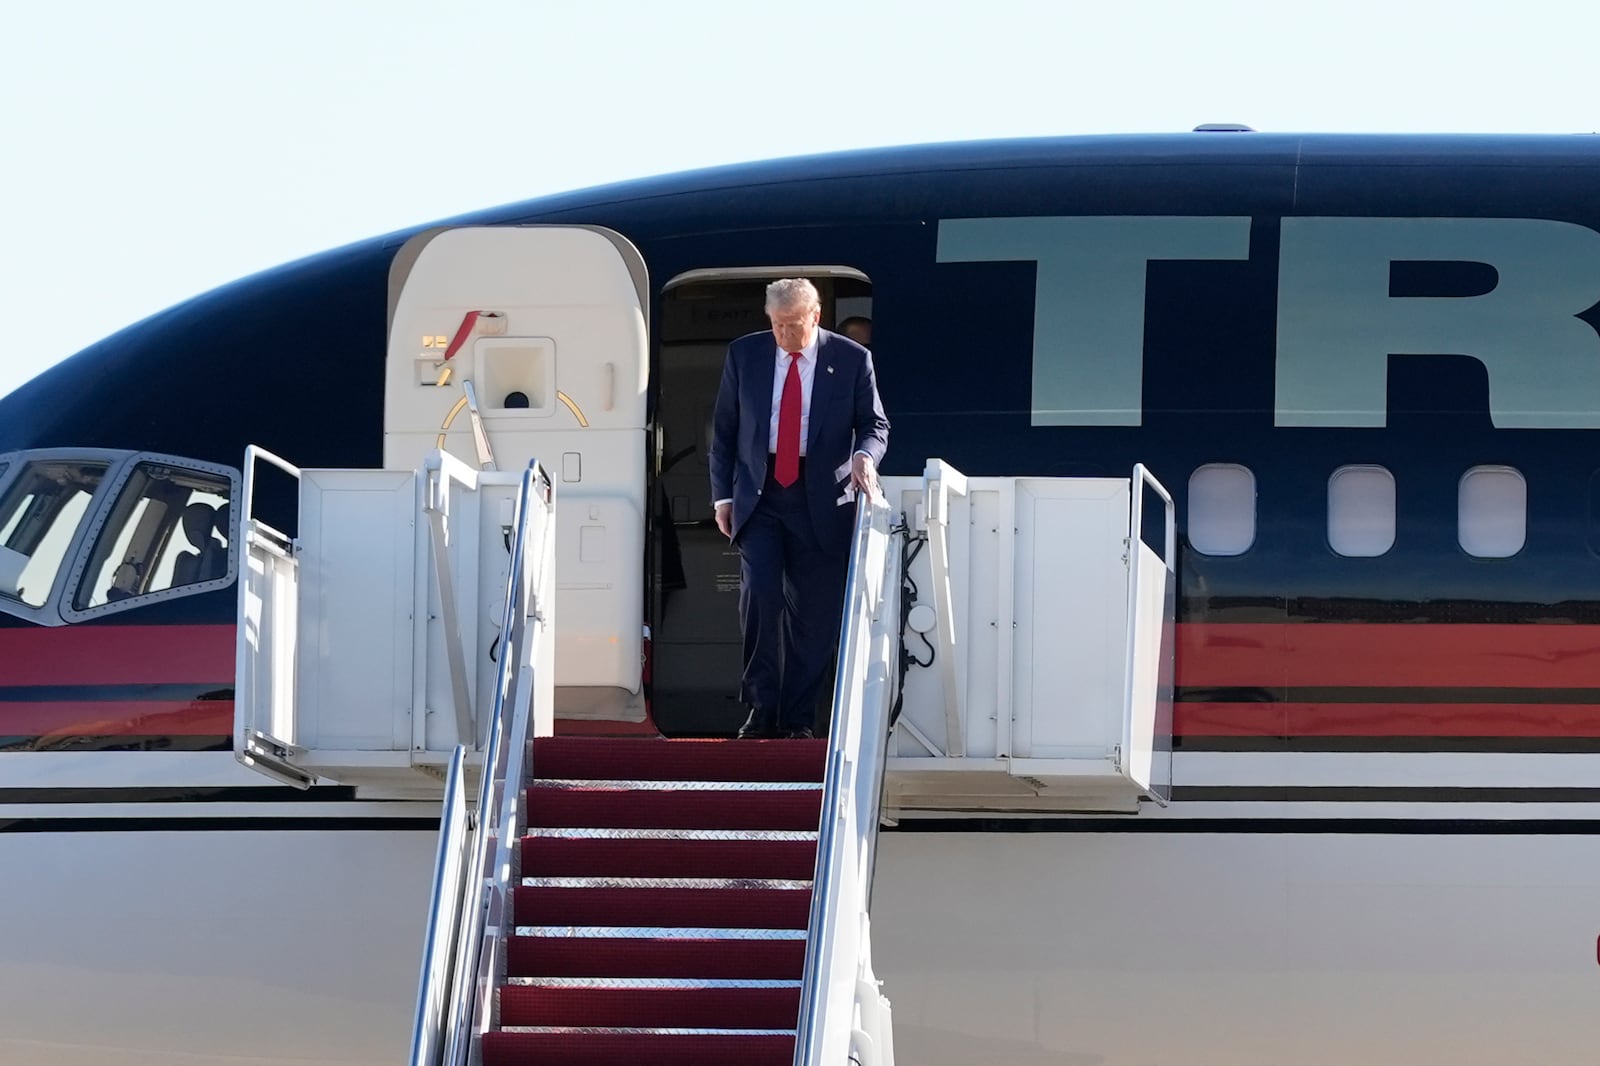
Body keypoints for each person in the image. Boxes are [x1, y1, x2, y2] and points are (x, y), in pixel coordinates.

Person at [710, 279, 889, 739]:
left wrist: (864, 456)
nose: (785, 335)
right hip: (760, 495)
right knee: (760, 599)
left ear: (815, 316)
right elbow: (725, 431)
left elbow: (875, 424)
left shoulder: (851, 359)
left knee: (813, 617)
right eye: (777, 325)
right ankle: (759, 708)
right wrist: (723, 497)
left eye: (793, 325)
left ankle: (797, 720)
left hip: (822, 500)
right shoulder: (745, 354)